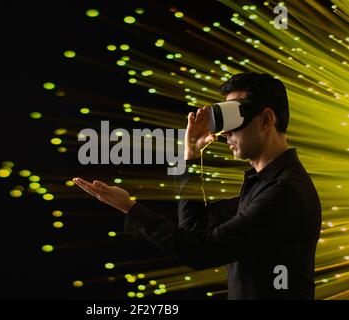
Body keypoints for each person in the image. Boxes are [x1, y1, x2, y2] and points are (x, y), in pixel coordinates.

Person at [73, 72, 322, 300]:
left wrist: (131, 208)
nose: (224, 133)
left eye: (235, 116)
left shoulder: (285, 193)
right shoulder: (265, 185)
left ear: (266, 119)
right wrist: (191, 154)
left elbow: (202, 250)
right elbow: (195, 226)